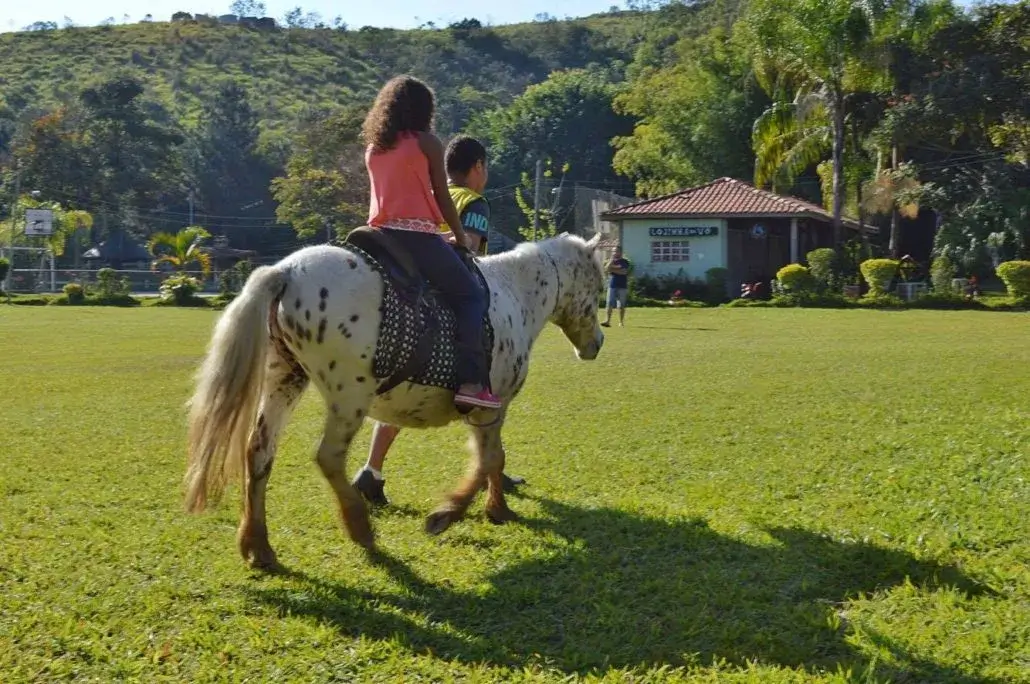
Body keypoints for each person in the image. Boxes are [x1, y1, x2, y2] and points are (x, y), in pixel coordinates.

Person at [353, 133, 526, 506]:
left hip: (416, 286)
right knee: (488, 380)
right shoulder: (474, 201)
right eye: (485, 168)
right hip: (453, 292)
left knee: (405, 384)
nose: (485, 176)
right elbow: (472, 245)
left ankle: (372, 470)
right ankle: (489, 460)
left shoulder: (433, 192)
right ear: (477, 167)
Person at [361, 75, 501, 411]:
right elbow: (441, 195)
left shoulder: (374, 147)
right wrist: (460, 237)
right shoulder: (426, 143)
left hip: (376, 235)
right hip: (417, 238)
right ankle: (471, 383)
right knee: (470, 295)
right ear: (424, 108)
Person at [601, 248, 629, 327]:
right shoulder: (610, 261)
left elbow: (624, 272)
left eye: (616, 251)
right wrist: (611, 262)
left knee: (621, 304)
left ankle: (621, 322)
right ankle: (607, 321)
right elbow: (606, 269)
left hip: (622, 286)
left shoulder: (624, 261)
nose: (615, 252)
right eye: (613, 251)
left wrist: (611, 270)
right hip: (612, 285)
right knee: (609, 303)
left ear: (620, 252)